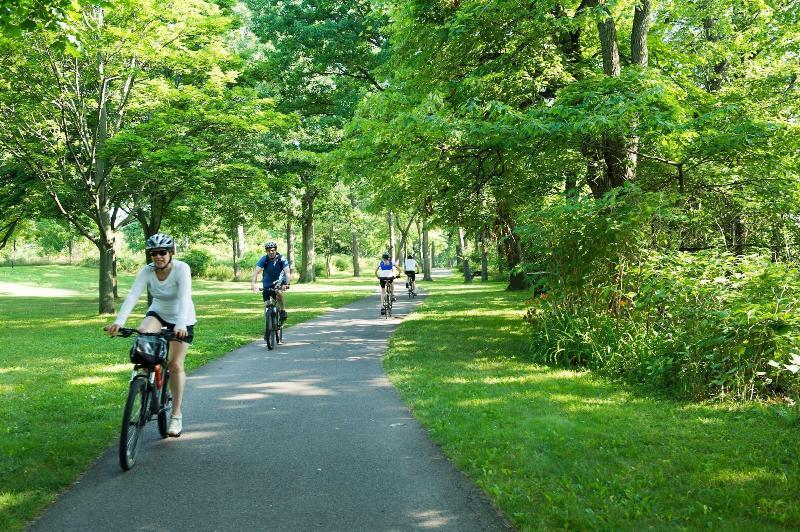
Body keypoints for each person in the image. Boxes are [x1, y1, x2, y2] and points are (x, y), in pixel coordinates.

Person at [105, 233, 196, 438]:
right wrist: (119, 322)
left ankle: (176, 415)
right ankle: (145, 380)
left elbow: (184, 297)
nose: (158, 257)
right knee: (143, 339)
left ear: (171, 253)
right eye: (154, 253)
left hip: (183, 318)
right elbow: (132, 296)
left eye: (162, 252)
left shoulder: (182, 269)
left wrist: (180, 324)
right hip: (158, 313)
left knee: (175, 365)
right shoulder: (147, 271)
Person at [251, 241, 291, 322]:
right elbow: (256, 272)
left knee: (278, 291)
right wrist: (253, 284)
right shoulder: (264, 259)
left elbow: (287, 272)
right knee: (266, 304)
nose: (271, 252)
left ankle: (283, 310)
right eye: (268, 250)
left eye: (272, 250)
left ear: (276, 250)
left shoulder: (282, 259)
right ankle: (267, 328)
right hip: (267, 283)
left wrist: (287, 284)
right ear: (266, 251)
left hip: (279, 281)